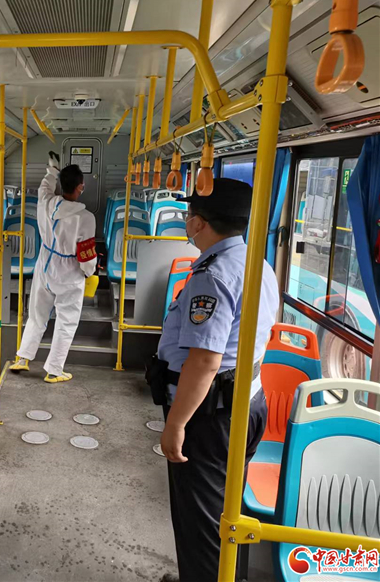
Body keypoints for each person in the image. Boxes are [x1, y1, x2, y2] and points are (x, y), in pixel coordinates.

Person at [148, 178, 279, 582]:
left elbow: (205, 361)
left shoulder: (213, 275)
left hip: (209, 415)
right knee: (225, 513)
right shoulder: (258, 264)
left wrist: (176, 424)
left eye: (190, 215)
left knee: (201, 524)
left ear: (199, 223)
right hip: (246, 402)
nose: (187, 221)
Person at [10, 153, 97, 383]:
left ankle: (23, 358)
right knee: (66, 320)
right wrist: (89, 272)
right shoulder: (86, 217)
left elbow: (45, 186)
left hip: (45, 262)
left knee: (37, 313)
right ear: (80, 187)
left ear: (61, 184)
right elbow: (86, 253)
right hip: (69, 270)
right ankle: (54, 370)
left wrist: (52, 170)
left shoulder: (46, 202)